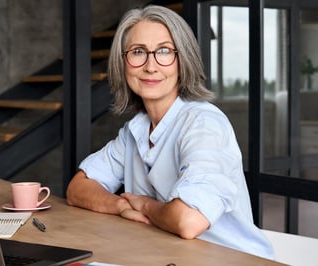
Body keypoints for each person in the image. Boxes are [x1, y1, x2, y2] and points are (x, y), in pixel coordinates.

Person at [66, 5, 274, 260]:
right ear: (123, 63)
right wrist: (121, 206)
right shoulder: (135, 130)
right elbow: (78, 188)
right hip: (169, 258)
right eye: (138, 52)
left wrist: (144, 205)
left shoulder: (204, 124)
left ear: (182, 60)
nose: (150, 66)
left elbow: (188, 221)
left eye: (164, 51)